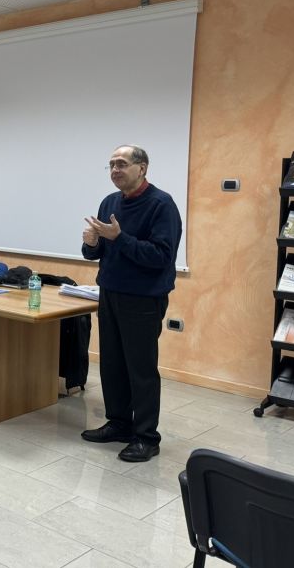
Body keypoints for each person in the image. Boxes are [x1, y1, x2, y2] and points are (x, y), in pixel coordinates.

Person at [80, 145, 182, 463]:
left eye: (121, 163)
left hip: (143, 298)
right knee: (112, 364)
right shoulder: (109, 202)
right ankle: (120, 424)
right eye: (110, 164)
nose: (115, 169)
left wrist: (118, 238)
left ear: (142, 168)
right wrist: (91, 244)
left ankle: (146, 437)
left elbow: (161, 256)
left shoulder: (162, 205)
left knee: (140, 369)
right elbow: (98, 254)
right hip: (109, 293)